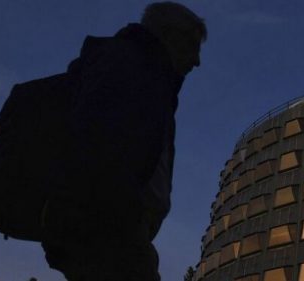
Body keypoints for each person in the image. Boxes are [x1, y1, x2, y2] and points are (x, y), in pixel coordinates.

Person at [40, 2, 206, 280]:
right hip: (107, 227)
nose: (197, 60)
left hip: (110, 227)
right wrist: (123, 218)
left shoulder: (148, 80)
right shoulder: (131, 69)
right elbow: (98, 144)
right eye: (192, 45)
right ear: (169, 35)